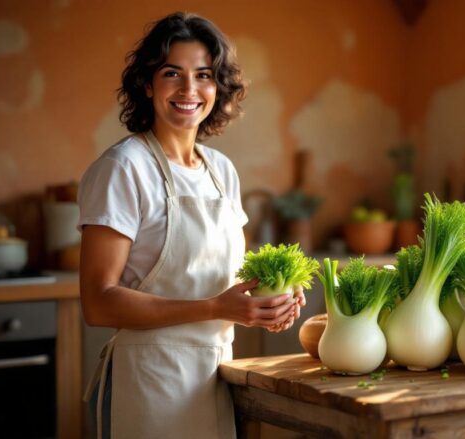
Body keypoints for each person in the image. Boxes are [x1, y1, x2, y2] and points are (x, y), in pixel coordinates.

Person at [78, 12, 304, 439]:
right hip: (148, 384)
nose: (189, 90)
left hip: (217, 377)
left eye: (203, 75)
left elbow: (226, 279)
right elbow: (98, 303)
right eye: (172, 73)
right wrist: (216, 308)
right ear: (147, 85)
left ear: (218, 87)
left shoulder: (221, 170)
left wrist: (272, 298)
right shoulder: (123, 168)